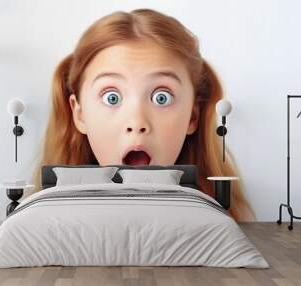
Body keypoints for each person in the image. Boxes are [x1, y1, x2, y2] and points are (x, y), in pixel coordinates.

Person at [31, 8, 255, 221]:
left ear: (192, 116)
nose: (137, 123)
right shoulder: (42, 218)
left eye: (161, 98)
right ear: (79, 114)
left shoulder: (226, 218)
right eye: (112, 97)